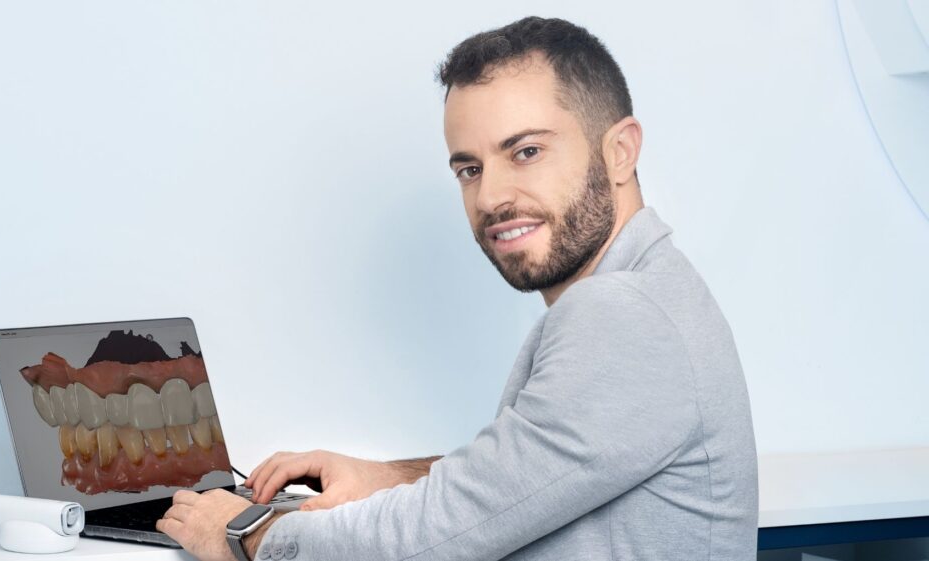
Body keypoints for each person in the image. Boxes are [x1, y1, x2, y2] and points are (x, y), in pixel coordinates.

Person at [156, 16, 758, 560]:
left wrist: (245, 534)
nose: (491, 196)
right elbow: (521, 478)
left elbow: (429, 541)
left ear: (620, 151)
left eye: (525, 151)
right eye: (469, 168)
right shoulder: (654, 291)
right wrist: (384, 478)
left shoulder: (623, 314)